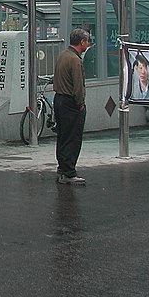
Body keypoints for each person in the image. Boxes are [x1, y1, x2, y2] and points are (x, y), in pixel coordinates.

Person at [52, 28, 90, 185]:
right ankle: (69, 172)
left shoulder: (63, 55)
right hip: (71, 103)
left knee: (62, 136)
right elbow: (78, 86)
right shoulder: (75, 60)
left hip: (59, 99)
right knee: (72, 138)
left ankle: (62, 167)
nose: (88, 44)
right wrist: (80, 103)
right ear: (82, 42)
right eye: (87, 41)